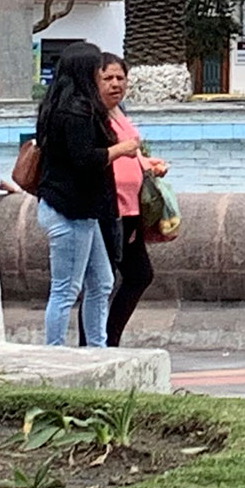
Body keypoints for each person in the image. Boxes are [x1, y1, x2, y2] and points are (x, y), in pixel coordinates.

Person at [33, 43, 141, 346]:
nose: (103, 76)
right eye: (97, 70)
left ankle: (97, 346)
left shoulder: (61, 106)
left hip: (84, 210)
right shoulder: (75, 112)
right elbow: (84, 159)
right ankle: (54, 351)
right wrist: (122, 148)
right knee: (66, 288)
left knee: (103, 282)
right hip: (70, 211)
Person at [98, 52, 169, 348]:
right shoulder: (95, 116)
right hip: (110, 208)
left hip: (131, 208)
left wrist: (149, 163)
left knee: (138, 274)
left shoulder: (119, 112)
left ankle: (108, 338)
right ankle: (99, 340)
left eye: (120, 78)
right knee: (104, 281)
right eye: (108, 78)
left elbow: (132, 153)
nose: (116, 84)